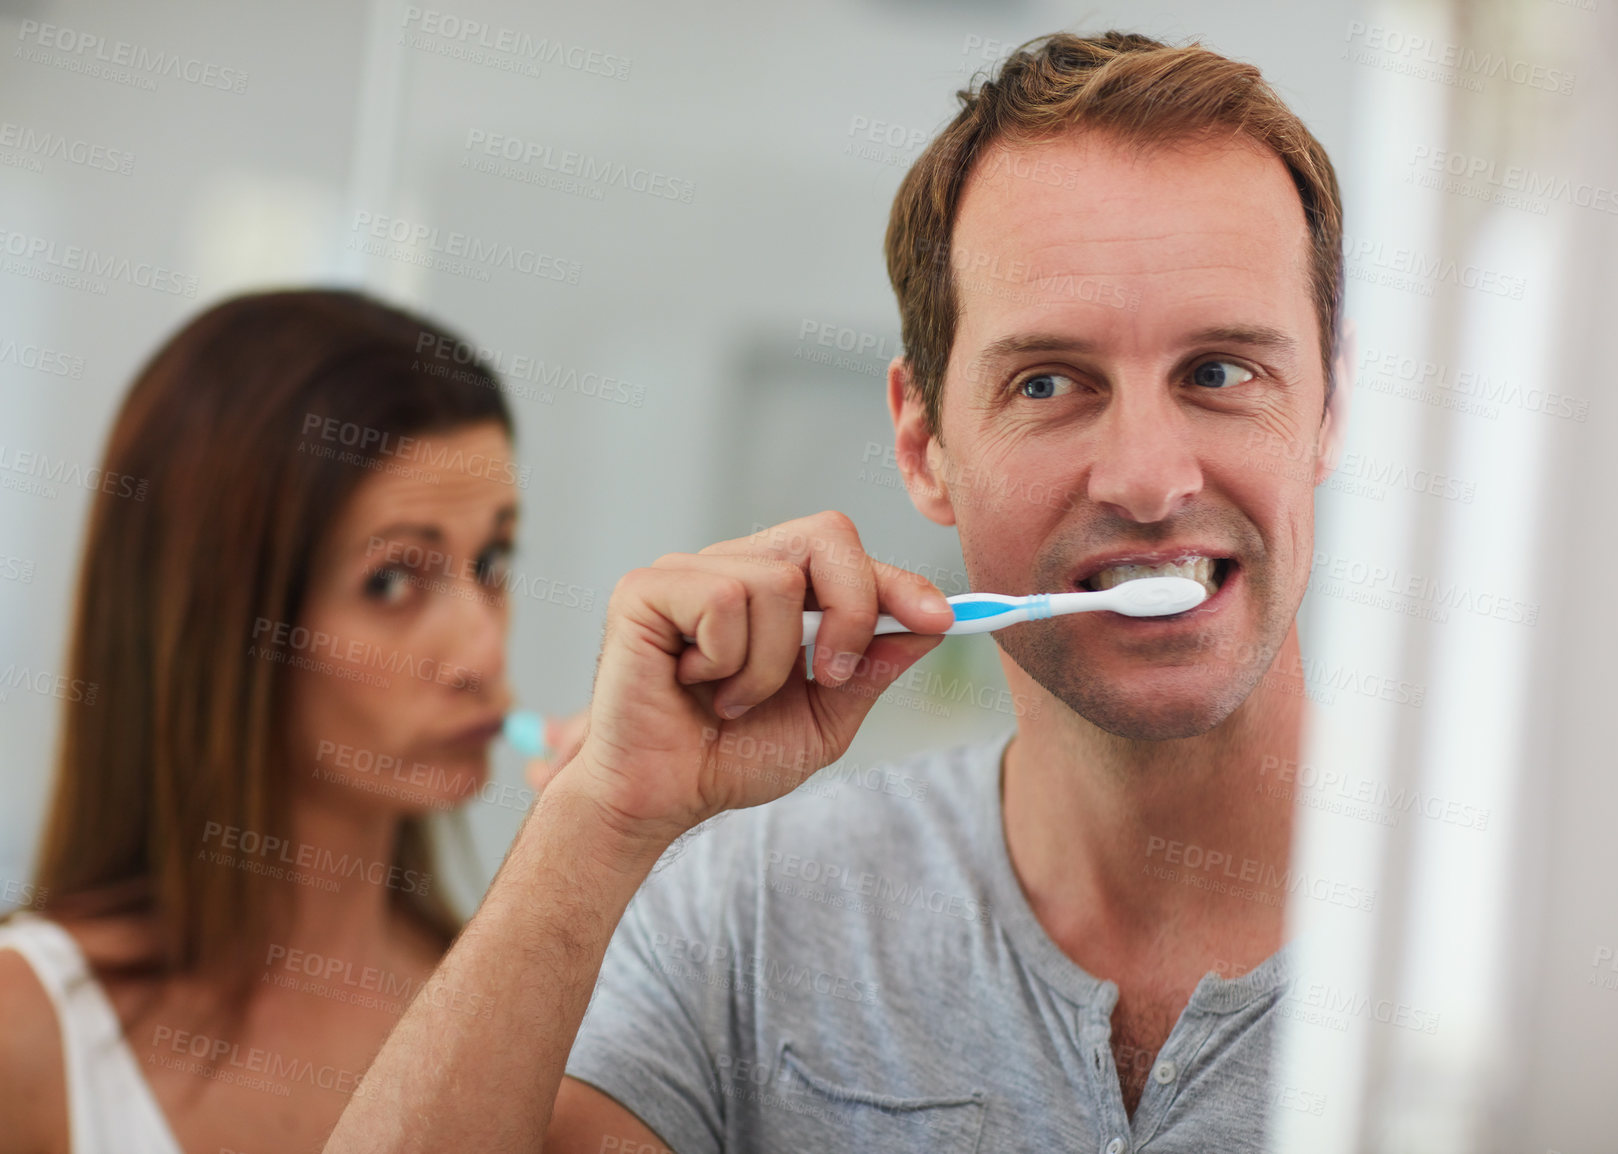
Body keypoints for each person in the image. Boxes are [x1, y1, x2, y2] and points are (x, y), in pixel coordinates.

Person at [326, 30, 1354, 1154]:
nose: (1150, 480)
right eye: (1049, 382)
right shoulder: (752, 917)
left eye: (1219, 372)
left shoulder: (1507, 932)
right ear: (922, 440)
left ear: (1331, 405)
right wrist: (599, 820)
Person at [0, 290, 533, 1154]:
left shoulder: (522, 1024)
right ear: (221, 619)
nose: (480, 654)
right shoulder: (28, 1034)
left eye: (492, 560)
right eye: (395, 580)